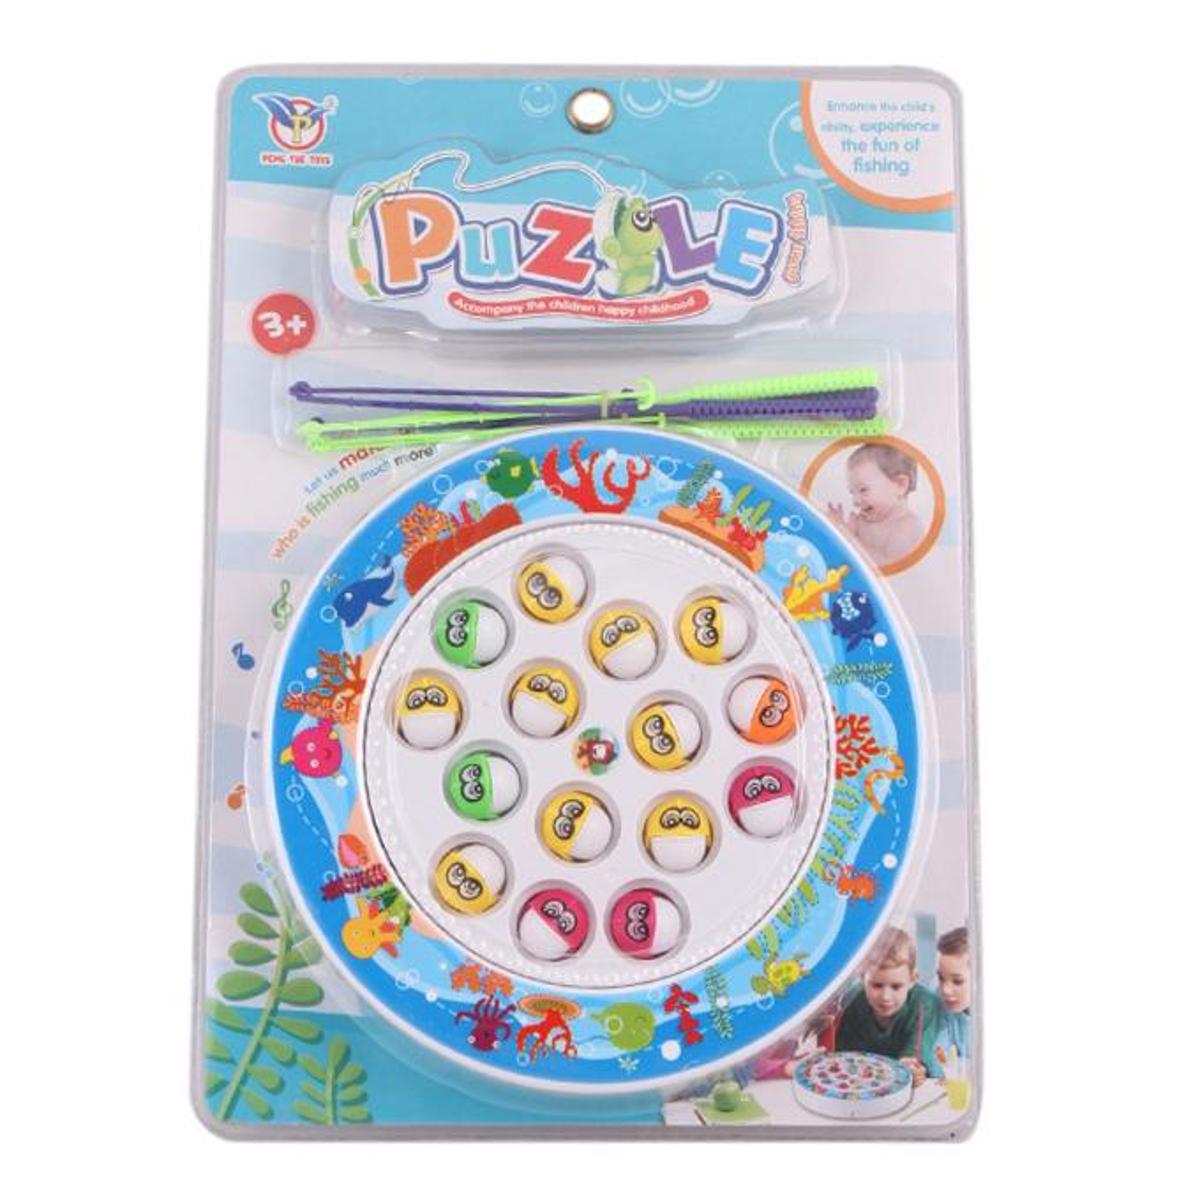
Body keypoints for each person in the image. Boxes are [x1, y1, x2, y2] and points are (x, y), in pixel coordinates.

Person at [833, 926, 940, 1084]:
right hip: (866, 1081)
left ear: (913, 979)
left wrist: (912, 1068)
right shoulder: (853, 1001)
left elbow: (915, 1057)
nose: (885, 997)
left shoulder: (925, 1004)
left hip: (920, 1084)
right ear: (862, 977)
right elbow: (845, 1057)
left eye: (896, 987)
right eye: (876, 985)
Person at [826, 442, 923, 566]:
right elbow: (843, 551)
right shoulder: (861, 521)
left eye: (863, 490)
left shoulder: (907, 526)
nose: (855, 501)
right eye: (852, 492)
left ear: (900, 485)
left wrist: (848, 538)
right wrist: (839, 528)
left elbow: (887, 565)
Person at [933, 925, 971, 1064]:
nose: (946, 990)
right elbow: (939, 1055)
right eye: (941, 978)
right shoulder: (938, 999)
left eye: (957, 981)